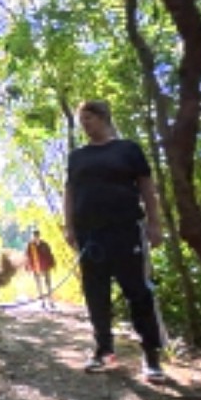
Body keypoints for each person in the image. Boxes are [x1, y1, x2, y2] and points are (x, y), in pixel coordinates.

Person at [62, 100, 168, 383]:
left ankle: (151, 355)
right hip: (89, 236)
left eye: (88, 118)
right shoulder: (77, 157)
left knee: (138, 291)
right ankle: (103, 349)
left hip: (126, 231)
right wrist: (69, 227)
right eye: (81, 120)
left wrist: (154, 223)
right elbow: (70, 192)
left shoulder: (128, 149)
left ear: (103, 117)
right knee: (95, 294)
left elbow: (146, 186)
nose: (85, 125)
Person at [25, 230, 56, 311]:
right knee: (39, 285)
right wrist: (27, 267)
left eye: (37, 236)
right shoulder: (30, 246)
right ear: (33, 237)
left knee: (48, 284)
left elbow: (50, 254)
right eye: (34, 236)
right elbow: (27, 257)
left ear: (39, 236)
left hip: (45, 267)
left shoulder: (45, 244)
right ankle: (42, 302)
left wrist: (53, 264)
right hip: (36, 268)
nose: (36, 238)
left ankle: (51, 301)